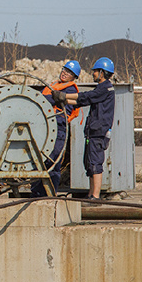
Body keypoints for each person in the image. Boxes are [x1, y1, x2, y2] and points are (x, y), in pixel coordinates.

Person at [56, 57, 116, 200]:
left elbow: (87, 96)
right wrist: (64, 100)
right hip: (93, 132)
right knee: (90, 163)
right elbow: (83, 101)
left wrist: (65, 96)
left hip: (99, 132)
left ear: (102, 72)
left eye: (95, 71)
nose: (93, 74)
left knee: (95, 163)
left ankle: (95, 196)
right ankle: (91, 194)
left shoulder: (105, 88)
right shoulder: (101, 89)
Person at [32, 60, 81, 197]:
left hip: (57, 130)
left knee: (52, 162)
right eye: (65, 70)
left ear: (74, 77)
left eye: (70, 72)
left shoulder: (70, 90)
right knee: (40, 162)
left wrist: (46, 99)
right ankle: (37, 193)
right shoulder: (53, 86)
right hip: (44, 128)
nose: (65, 73)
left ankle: (49, 194)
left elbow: (63, 112)